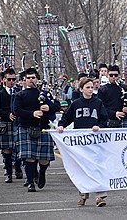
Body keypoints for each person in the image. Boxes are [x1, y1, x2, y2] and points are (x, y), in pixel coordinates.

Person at [57, 77, 109, 207]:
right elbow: (67, 117)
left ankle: (100, 196)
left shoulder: (98, 103)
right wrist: (61, 125)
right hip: (80, 142)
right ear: (81, 89)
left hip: (95, 141)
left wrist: (99, 126)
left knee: (96, 167)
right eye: (88, 87)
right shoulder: (76, 104)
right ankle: (83, 195)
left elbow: (104, 119)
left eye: (92, 87)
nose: (91, 90)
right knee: (82, 168)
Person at [14, 67, 60, 192]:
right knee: (29, 157)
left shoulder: (44, 94)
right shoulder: (20, 95)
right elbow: (16, 110)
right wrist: (32, 113)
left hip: (43, 128)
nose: (31, 80)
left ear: (37, 79)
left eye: (33, 78)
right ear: (25, 80)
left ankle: (42, 173)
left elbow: (57, 106)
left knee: (44, 159)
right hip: (26, 127)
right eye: (28, 78)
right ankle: (30, 182)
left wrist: (48, 108)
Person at [0, 68, 23, 182]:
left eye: (13, 79)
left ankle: (18, 168)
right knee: (7, 150)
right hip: (5, 123)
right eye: (9, 79)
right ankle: (9, 173)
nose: (11, 81)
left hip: (18, 122)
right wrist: (7, 114)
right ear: (4, 79)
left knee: (18, 148)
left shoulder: (19, 92)